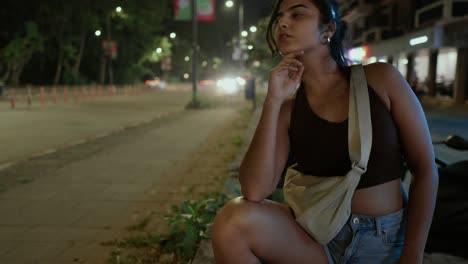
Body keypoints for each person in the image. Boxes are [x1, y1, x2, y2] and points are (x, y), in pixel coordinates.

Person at [212, 0, 438, 263]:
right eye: (280, 18)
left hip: (382, 242)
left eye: (297, 14)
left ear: (327, 29)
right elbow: (254, 190)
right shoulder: (288, 111)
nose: (283, 23)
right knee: (233, 221)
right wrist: (272, 102)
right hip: (317, 240)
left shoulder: (381, 79)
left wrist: (413, 255)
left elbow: (425, 168)